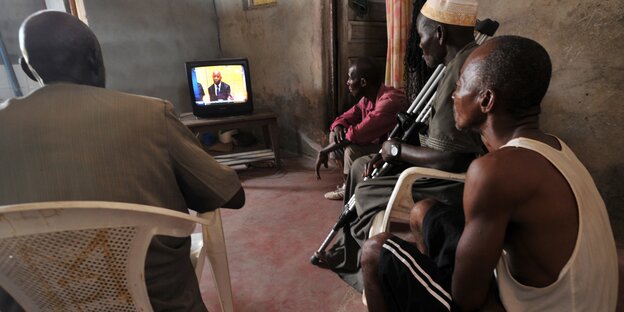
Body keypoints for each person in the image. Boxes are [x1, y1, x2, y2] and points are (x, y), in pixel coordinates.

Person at [0, 11, 245, 312]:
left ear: (26, 68)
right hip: (157, 301)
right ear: (95, 57)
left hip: (35, 300)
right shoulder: (150, 115)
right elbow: (232, 195)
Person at [361, 35, 618, 311]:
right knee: (423, 211)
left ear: (486, 100)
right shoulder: (554, 148)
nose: (453, 95)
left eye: (460, 85)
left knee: (375, 252)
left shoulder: (495, 171)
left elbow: (467, 300)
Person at [316, 0, 484, 292]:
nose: (419, 46)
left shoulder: (460, 76)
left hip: (446, 182)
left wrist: (394, 151)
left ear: (441, 35)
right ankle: (348, 249)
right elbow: (350, 120)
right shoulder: (459, 63)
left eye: (421, 37)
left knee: (365, 189)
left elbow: (450, 160)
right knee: (358, 166)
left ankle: (369, 270)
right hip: (436, 165)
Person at [316, 57, 408, 200]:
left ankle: (350, 190)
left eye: (350, 78)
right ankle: (349, 185)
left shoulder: (388, 102)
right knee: (335, 135)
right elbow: (347, 116)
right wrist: (339, 126)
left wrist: (325, 150)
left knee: (351, 149)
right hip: (380, 144)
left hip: (396, 151)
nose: (347, 83)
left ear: (363, 82)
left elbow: (356, 133)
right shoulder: (367, 98)